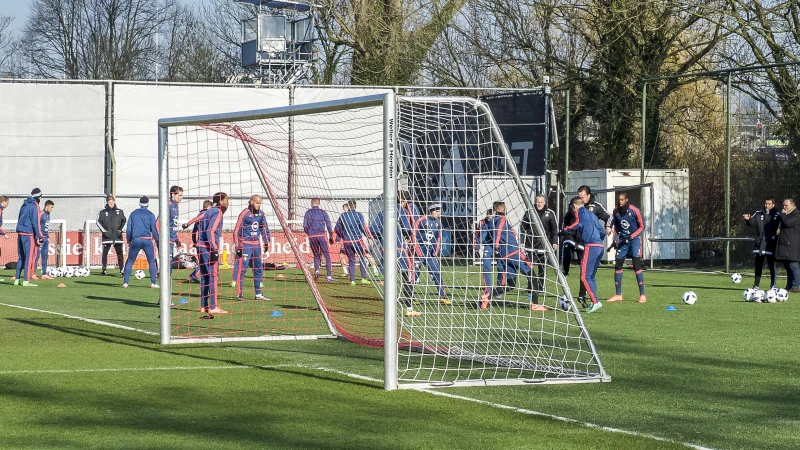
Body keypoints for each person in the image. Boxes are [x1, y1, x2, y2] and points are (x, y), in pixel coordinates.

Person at [480, 201, 534, 310]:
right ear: (500, 210)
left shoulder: (493, 221)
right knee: (532, 274)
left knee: (509, 282)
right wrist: (495, 246)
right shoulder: (500, 219)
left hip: (504, 253)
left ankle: (487, 296)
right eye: (504, 208)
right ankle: (535, 304)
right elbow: (497, 233)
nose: (506, 210)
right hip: (509, 252)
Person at [563, 196, 605, 313]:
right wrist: (598, 240)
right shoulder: (592, 215)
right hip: (600, 247)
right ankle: (593, 301)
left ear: (574, 206)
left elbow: (578, 223)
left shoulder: (579, 211)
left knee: (584, 276)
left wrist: (566, 229)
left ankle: (596, 302)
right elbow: (602, 231)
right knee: (591, 276)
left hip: (591, 246)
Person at [606, 192, 647, 303]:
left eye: (622, 200)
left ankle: (642, 295)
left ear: (626, 200)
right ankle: (618, 294)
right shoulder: (616, 211)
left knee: (636, 264)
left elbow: (642, 226)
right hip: (622, 241)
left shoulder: (634, 210)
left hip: (634, 240)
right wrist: (615, 240)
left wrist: (631, 236)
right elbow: (615, 227)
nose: (620, 202)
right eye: (619, 200)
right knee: (618, 265)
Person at [520, 195, 558, 311]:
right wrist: (522, 242)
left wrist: (555, 242)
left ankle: (540, 287)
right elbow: (522, 228)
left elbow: (554, 229)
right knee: (530, 268)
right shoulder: (529, 212)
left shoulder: (550, 213)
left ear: (545, 202)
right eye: (537, 202)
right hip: (530, 245)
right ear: (534, 202)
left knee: (542, 268)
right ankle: (531, 288)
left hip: (544, 245)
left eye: (541, 202)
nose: (539, 204)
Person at [232, 195, 271, 301]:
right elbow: (236, 230)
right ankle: (240, 294)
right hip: (245, 244)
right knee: (242, 269)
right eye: (257, 203)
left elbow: (264, 228)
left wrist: (266, 242)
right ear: (251, 202)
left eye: (260, 203)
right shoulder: (244, 213)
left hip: (257, 245)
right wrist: (238, 246)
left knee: (258, 268)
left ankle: (258, 294)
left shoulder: (261, 214)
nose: (259, 205)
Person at [197, 192, 229, 315]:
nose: (228, 203)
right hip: (208, 247)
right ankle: (213, 306)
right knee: (213, 276)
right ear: (221, 202)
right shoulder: (218, 212)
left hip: (200, 245)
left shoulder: (208, 211)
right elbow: (210, 230)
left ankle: (203, 306)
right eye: (226, 200)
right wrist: (214, 248)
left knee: (205, 276)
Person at [413, 203, 450, 304]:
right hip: (419, 252)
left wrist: (435, 251)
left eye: (439, 212)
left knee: (437, 273)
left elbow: (438, 238)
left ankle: (442, 296)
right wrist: (418, 251)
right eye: (437, 211)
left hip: (430, 254)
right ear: (431, 211)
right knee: (414, 274)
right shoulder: (421, 220)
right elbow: (414, 235)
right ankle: (410, 298)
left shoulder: (438, 223)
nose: (438, 214)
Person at [121, 196, 159, 288]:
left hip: (136, 240)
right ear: (148, 204)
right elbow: (153, 229)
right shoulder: (150, 214)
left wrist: (128, 239)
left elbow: (129, 228)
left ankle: (125, 283)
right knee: (151, 261)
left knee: (130, 261)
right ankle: (153, 283)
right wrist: (157, 240)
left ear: (139, 203)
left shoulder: (133, 214)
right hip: (147, 240)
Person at [334, 199, 373, 285]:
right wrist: (369, 237)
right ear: (355, 206)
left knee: (351, 260)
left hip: (347, 242)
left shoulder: (343, 216)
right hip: (357, 241)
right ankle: (363, 278)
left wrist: (341, 236)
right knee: (362, 258)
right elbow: (363, 227)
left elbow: (337, 228)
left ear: (348, 206)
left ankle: (352, 281)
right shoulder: (359, 215)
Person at [743, 198, 780, 290]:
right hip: (759, 244)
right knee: (758, 265)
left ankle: (773, 285)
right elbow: (752, 223)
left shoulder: (777, 215)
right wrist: (748, 220)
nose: (766, 205)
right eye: (765, 203)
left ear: (773, 205)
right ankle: (756, 285)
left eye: (769, 204)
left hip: (770, 244)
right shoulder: (759, 213)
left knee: (772, 265)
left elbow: (780, 228)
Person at [14, 188, 43, 287]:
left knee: (21, 257)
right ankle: (26, 280)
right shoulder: (35, 205)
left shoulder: (24, 204)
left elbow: (19, 218)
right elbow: (36, 222)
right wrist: (39, 236)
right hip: (29, 234)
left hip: (20, 232)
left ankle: (17, 279)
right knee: (28, 258)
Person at [560, 205, 588, 307]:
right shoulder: (568, 216)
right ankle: (564, 284)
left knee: (584, 271)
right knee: (566, 256)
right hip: (571, 240)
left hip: (582, 242)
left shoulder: (587, 214)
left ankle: (582, 296)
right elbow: (565, 231)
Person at [303, 198, 335, 281]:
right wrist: (331, 235)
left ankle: (317, 271)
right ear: (319, 203)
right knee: (327, 256)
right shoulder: (323, 212)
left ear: (311, 203)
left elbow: (305, 226)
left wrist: (309, 234)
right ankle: (329, 276)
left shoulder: (308, 212)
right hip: (321, 235)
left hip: (312, 237)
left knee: (316, 255)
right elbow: (328, 224)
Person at [182, 200, 211, 283]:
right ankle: (208, 279)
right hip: (206, 244)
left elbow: (194, 231)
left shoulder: (200, 215)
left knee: (202, 263)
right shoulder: (207, 214)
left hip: (199, 243)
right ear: (209, 207)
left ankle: (194, 275)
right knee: (209, 263)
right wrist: (187, 224)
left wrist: (195, 242)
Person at [97, 195, 127, 276]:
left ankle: (122, 270)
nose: (111, 204)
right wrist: (104, 231)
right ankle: (104, 269)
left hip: (117, 237)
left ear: (114, 202)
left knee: (120, 254)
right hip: (107, 237)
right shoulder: (102, 212)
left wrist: (120, 230)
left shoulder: (120, 211)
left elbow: (124, 221)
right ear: (107, 202)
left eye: (112, 202)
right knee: (105, 253)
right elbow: (98, 222)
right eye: (109, 202)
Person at [776, 198, 800, 292]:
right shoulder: (787, 215)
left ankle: (796, 286)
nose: (784, 207)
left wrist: (782, 214)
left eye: (786, 205)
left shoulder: (797, 215)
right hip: (785, 245)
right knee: (788, 267)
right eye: (783, 205)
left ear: (792, 205)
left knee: (794, 265)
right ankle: (789, 285)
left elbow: (788, 223)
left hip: (792, 245)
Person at [37, 200, 55, 279]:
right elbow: (37, 225)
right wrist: (38, 236)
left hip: (45, 238)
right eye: (51, 207)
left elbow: (45, 227)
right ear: (46, 206)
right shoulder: (41, 214)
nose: (52, 209)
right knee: (37, 256)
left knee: (45, 256)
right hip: (40, 238)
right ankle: (32, 273)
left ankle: (44, 274)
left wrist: (47, 236)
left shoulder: (48, 215)